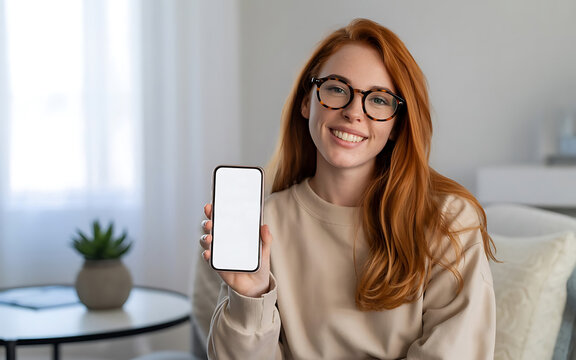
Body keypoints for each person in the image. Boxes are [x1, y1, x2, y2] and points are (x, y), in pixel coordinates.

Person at [198, 18, 497, 360]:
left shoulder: (448, 219)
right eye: (337, 89)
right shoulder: (265, 223)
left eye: (379, 100)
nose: (354, 112)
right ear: (307, 101)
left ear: (398, 124)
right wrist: (251, 297)